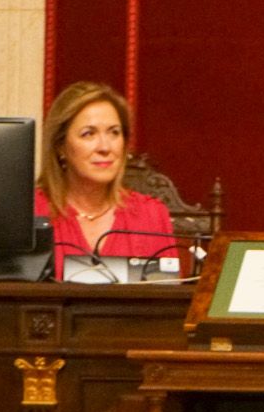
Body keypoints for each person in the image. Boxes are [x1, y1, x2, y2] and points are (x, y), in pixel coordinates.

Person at [35, 81, 174, 272]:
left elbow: (167, 298)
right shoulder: (30, 213)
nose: (105, 147)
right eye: (88, 134)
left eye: (114, 133)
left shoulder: (151, 215)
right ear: (61, 147)